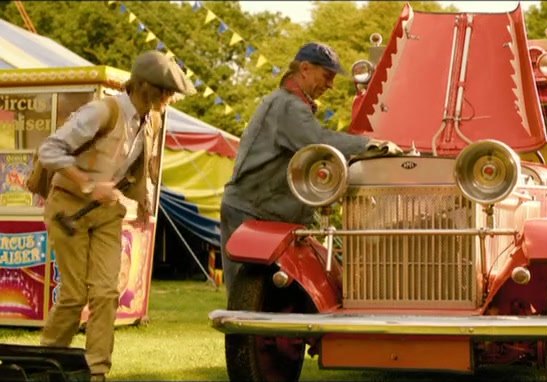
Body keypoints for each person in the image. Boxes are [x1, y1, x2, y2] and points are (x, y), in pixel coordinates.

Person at [38, 51, 195, 381]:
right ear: (145, 87)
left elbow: (141, 165)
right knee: (74, 294)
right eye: (166, 90)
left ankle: (96, 371)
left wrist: (146, 202)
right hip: (69, 206)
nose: (170, 97)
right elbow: (49, 150)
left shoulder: (150, 118)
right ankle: (44, 363)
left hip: (107, 211)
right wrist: (87, 184)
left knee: (107, 292)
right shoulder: (103, 111)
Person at [220, 42, 400, 291]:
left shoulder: (285, 103)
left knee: (268, 297)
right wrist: (371, 145)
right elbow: (319, 142)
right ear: (304, 69)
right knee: (247, 298)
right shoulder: (288, 106)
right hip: (252, 212)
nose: (330, 85)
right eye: (327, 76)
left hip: (259, 211)